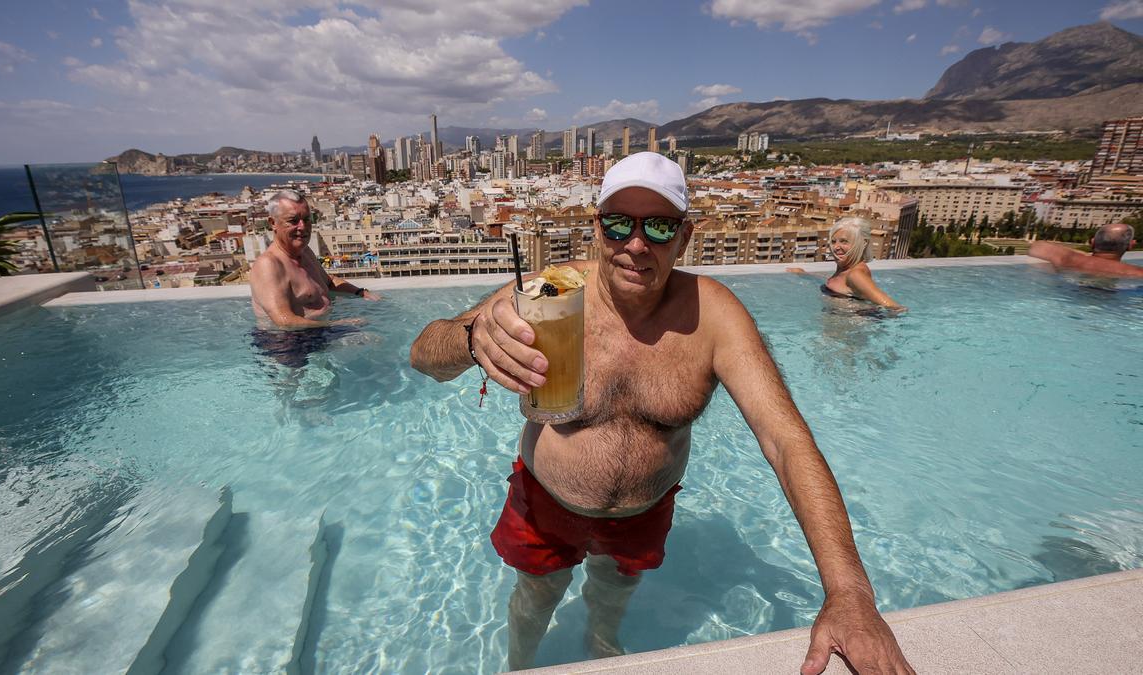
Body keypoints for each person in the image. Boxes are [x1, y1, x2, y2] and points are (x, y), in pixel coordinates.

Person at [410, 153, 913, 674]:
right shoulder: (550, 294)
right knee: (535, 598)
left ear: (685, 236)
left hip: (642, 514)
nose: (635, 244)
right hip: (546, 502)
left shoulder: (712, 316)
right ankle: (520, 665)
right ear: (597, 229)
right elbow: (424, 356)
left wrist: (849, 593)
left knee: (612, 591)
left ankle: (601, 641)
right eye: (618, 224)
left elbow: (787, 442)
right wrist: (472, 338)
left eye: (658, 226)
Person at [249, 189, 380, 367]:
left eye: (307, 219)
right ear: (273, 223)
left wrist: (361, 293)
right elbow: (283, 321)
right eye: (293, 221)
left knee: (376, 344)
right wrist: (338, 324)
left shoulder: (305, 252)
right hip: (287, 345)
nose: (302, 227)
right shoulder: (269, 265)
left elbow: (328, 282)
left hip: (319, 332)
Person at [788, 216, 905, 310]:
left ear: (863, 243)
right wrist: (804, 274)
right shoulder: (846, 271)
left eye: (844, 241)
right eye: (833, 242)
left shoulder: (856, 275)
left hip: (847, 328)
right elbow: (835, 281)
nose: (836, 247)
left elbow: (895, 307)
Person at [1027, 223, 1143, 278]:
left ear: (1092, 242)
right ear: (1130, 245)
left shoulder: (1069, 260)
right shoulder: (1137, 273)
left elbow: (1037, 246)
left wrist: (1079, 255)